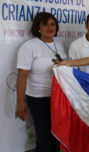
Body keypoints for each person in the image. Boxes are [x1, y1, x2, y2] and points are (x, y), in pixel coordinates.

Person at [16, 12, 66, 152]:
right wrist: (20, 101)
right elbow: (22, 76)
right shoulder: (29, 46)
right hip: (38, 98)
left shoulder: (60, 44)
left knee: (56, 136)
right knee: (44, 137)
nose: (50, 27)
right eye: (45, 24)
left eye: (52, 24)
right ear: (38, 27)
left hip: (58, 97)